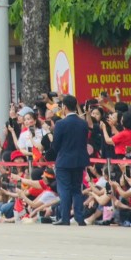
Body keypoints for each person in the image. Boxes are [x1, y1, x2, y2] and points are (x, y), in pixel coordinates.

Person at [53, 93, 88, 226]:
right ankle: (79, 217)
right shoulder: (83, 123)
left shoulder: (60, 124)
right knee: (76, 189)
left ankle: (65, 217)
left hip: (64, 160)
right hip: (79, 160)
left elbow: (56, 144)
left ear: (65, 107)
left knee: (64, 189)